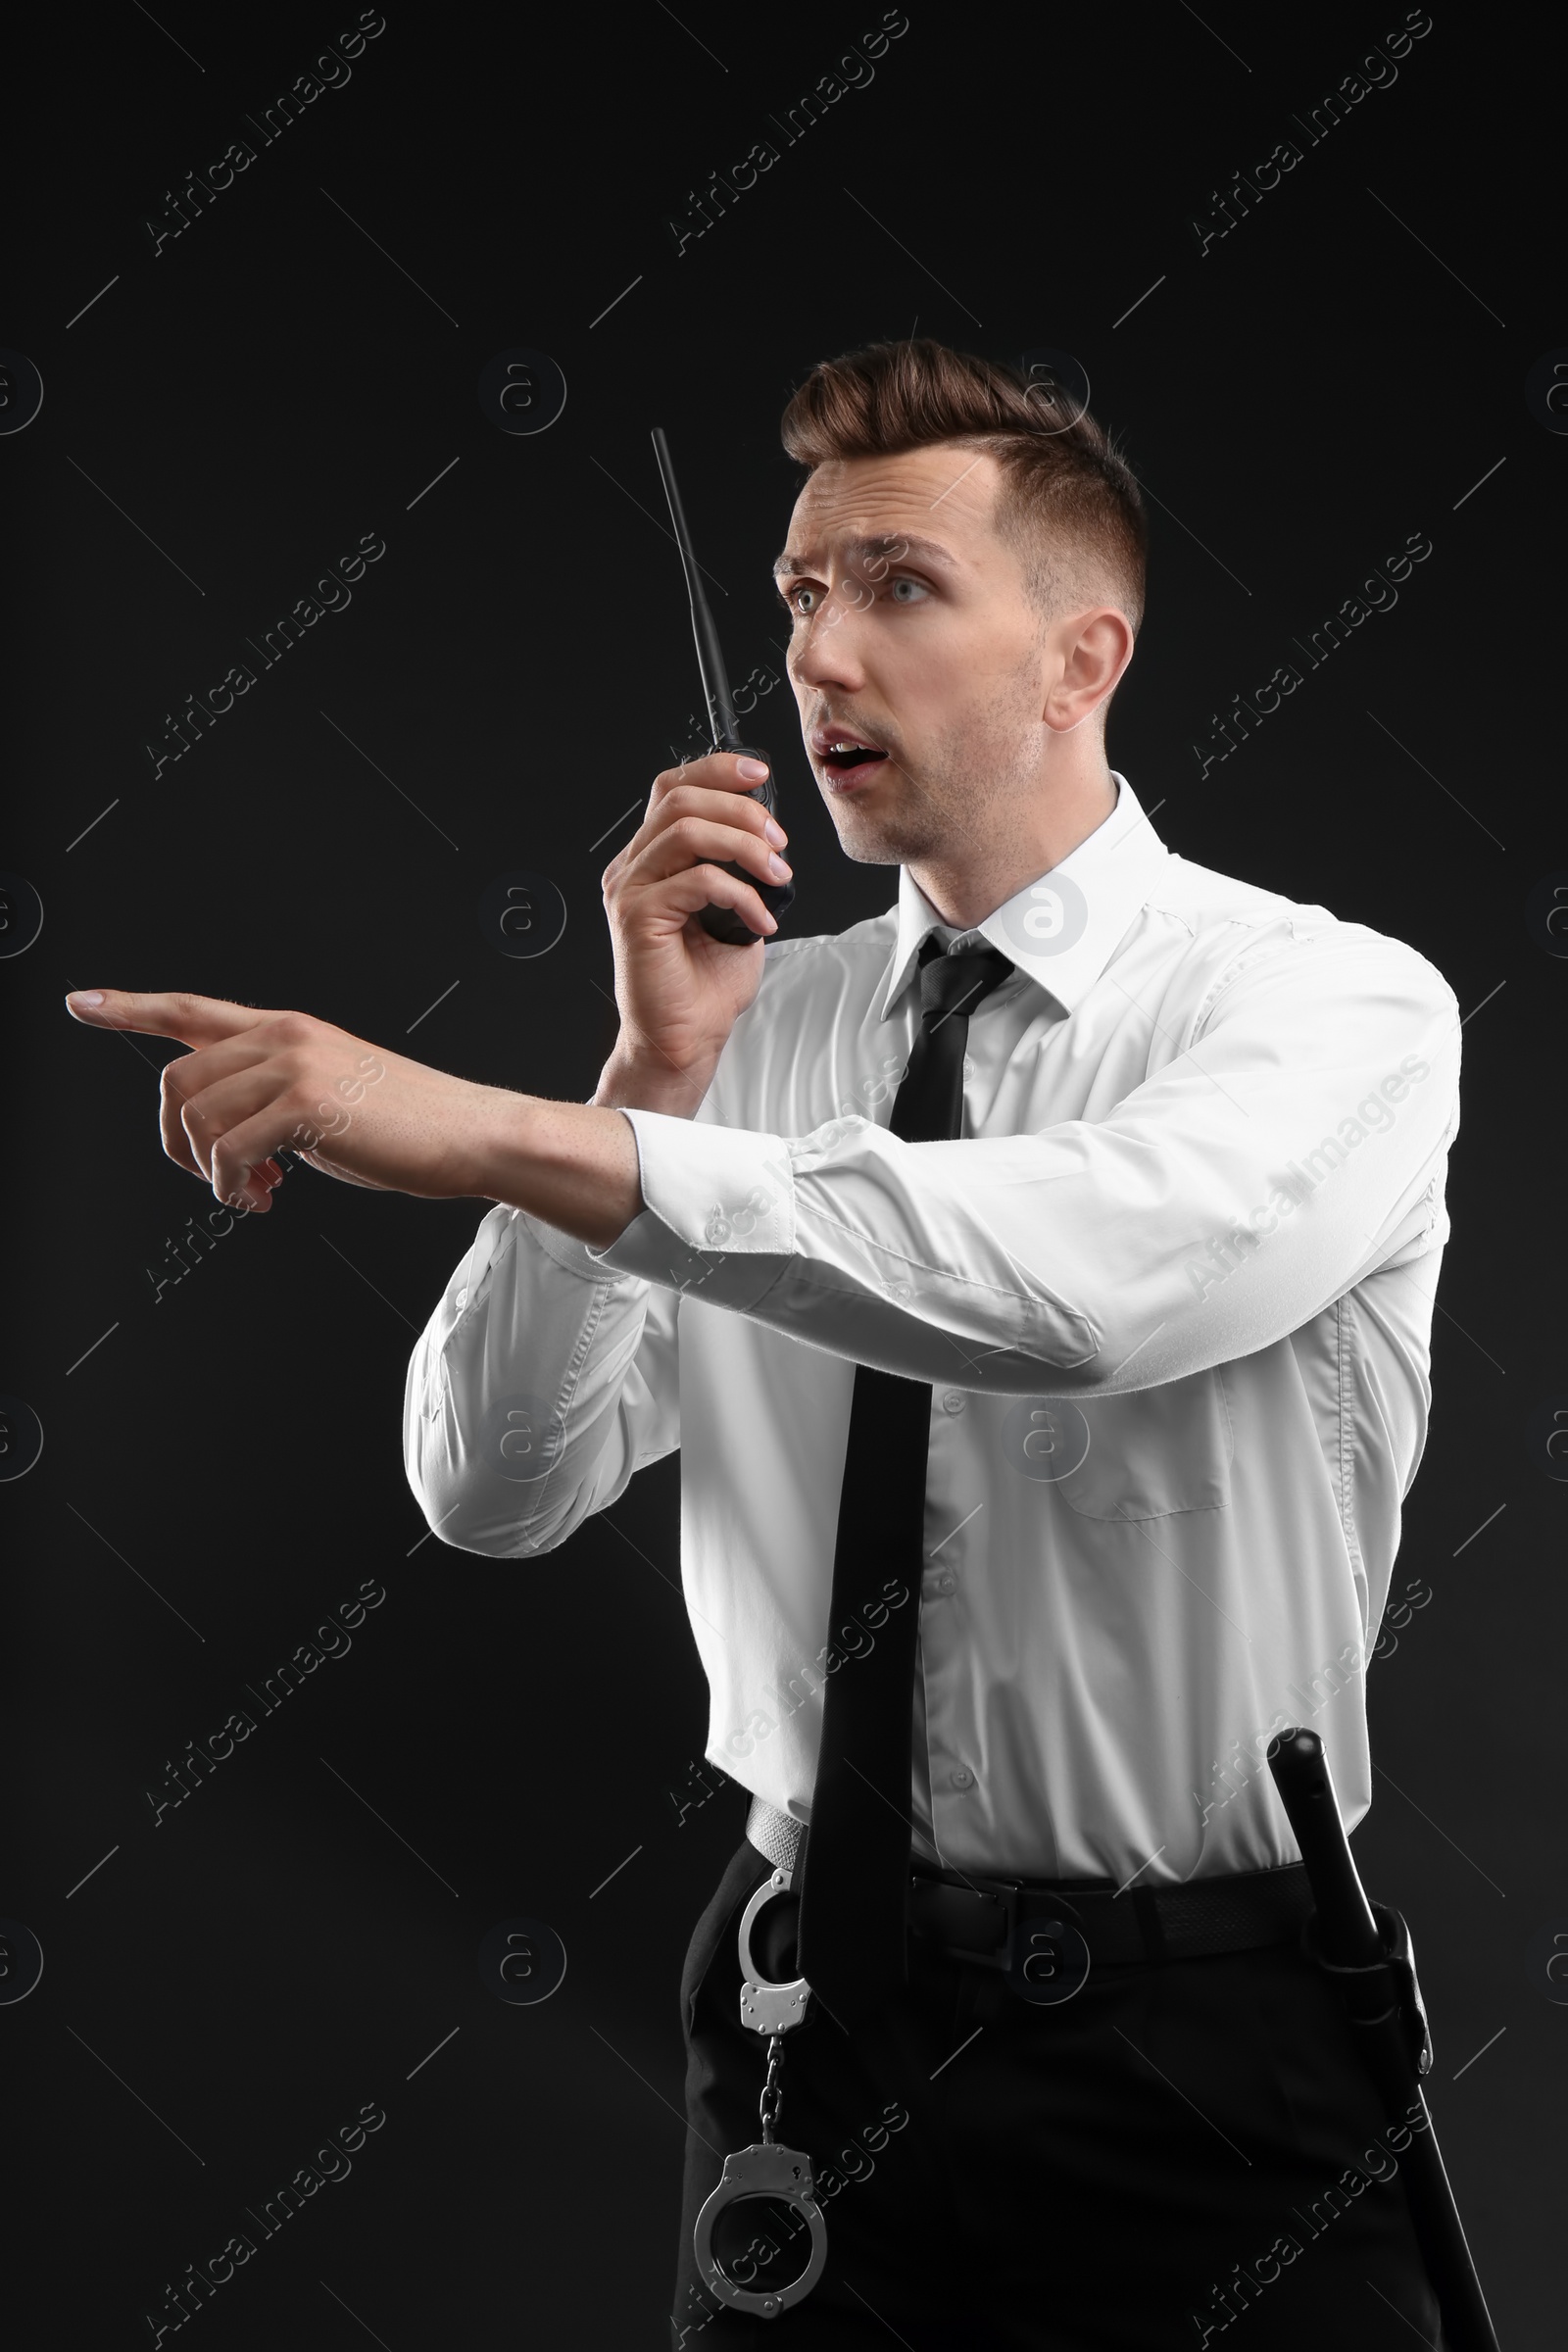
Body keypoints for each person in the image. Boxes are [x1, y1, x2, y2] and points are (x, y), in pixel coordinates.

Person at [65, 340, 1460, 2349]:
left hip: (1208, 2031)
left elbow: (1068, 1293)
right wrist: (640, 1073)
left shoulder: (1332, 1012)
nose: (818, 656)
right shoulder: (738, 1033)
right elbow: (494, 1487)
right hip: (809, 2013)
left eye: (897, 584)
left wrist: (500, 1131)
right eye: (800, 595)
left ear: (1082, 658)